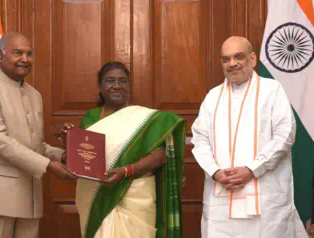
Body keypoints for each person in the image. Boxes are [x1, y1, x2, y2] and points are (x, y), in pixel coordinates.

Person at [191, 36, 307, 238]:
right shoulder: (212, 97)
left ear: (252, 59)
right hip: (221, 203)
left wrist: (252, 169)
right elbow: (199, 139)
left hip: (266, 203)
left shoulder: (272, 90)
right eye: (226, 59)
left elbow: (285, 135)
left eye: (238, 56)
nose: (232, 63)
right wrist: (215, 171)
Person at [0, 32, 76, 238]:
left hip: (29, 198)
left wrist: (63, 156)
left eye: (29, 53)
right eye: (17, 53)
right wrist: (48, 166)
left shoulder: (34, 95)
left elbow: (37, 146)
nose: (25, 59)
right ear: (0, 55)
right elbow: (0, 141)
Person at [61, 62, 185, 238]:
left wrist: (128, 171)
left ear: (129, 85)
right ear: (100, 86)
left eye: (123, 81)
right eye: (110, 80)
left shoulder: (144, 119)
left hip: (136, 193)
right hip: (97, 194)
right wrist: (68, 141)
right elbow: (81, 158)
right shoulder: (92, 117)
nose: (117, 85)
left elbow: (160, 156)